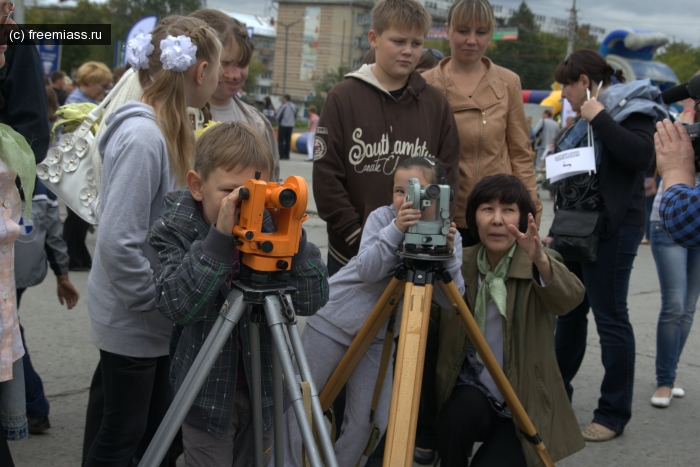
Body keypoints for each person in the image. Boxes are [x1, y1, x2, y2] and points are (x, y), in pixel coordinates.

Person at [147, 121, 328, 466]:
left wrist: (292, 237)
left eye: (257, 192)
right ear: (197, 186)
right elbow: (175, 304)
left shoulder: (271, 226)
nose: (247, 206)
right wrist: (217, 242)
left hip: (266, 393)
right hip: (206, 397)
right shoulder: (177, 229)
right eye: (234, 192)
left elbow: (312, 298)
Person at [83, 17, 222, 466]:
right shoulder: (144, 137)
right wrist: (158, 299)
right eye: (217, 69)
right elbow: (118, 240)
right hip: (136, 318)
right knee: (122, 435)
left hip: (149, 321)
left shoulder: (167, 129)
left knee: (148, 431)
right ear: (200, 72)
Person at [282, 157, 465, 467]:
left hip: (379, 336)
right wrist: (395, 230)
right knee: (301, 408)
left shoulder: (449, 234)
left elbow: (452, 301)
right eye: (398, 190)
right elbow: (368, 270)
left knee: (371, 421)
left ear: (438, 193)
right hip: (334, 320)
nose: (406, 200)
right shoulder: (383, 219)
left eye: (416, 190)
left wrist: (447, 257)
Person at [543, 48, 658, 442]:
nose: (565, 96)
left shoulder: (634, 107)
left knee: (610, 318)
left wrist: (600, 117)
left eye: (567, 87)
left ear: (585, 82)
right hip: (576, 228)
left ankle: (612, 413)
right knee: (570, 313)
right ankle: (556, 397)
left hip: (613, 228)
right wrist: (557, 230)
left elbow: (643, 156)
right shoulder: (579, 120)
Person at [435, 174, 585, 466]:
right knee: (454, 420)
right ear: (474, 218)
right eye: (487, 209)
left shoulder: (537, 261)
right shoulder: (458, 263)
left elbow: (570, 299)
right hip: (475, 388)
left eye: (508, 210)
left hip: (524, 400)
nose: (497, 220)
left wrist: (540, 260)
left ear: (524, 217)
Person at [313, 0, 460, 277]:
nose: (408, 51)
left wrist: (433, 230)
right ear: (374, 38)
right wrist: (358, 237)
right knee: (350, 322)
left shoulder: (436, 104)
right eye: (398, 41)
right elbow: (326, 178)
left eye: (416, 43)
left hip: (417, 252)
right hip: (351, 252)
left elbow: (449, 177)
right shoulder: (343, 97)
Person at [422, 0, 542, 247]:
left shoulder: (509, 83)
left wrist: (532, 211)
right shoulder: (424, 85)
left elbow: (520, 154)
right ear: (447, 30)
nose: (472, 40)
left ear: (491, 33)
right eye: (463, 31)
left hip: (497, 215)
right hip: (441, 214)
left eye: (481, 32)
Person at [14, 180, 79, 434]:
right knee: (9, 332)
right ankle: (33, 407)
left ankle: (34, 406)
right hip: (23, 272)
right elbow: (54, 235)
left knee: (8, 335)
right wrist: (61, 275)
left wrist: (63, 276)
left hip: (7, 274)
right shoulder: (41, 189)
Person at [190, 9, 280, 181]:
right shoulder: (180, 115)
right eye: (226, 63)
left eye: (242, 64)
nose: (235, 74)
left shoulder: (257, 124)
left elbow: (271, 184)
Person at [62, 61, 113, 272]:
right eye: (102, 84)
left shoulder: (85, 101)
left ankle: (75, 254)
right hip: (77, 166)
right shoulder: (78, 104)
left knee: (79, 216)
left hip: (79, 166)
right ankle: (71, 256)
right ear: (90, 82)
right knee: (78, 215)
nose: (104, 89)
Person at [277, 94, 296, 160]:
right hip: (290, 125)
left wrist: (277, 119)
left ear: (285, 99)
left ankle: (282, 155)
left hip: (283, 124)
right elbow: (295, 114)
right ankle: (287, 155)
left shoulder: (284, 106)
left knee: (281, 140)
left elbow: (279, 115)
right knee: (288, 141)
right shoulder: (293, 106)